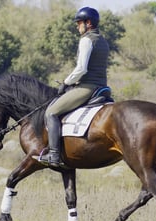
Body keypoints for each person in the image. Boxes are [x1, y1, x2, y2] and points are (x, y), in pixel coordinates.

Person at [33, 7, 110, 167]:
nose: (77, 26)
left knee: (51, 112)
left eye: (79, 23)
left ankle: (54, 155)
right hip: (102, 86)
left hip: (87, 87)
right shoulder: (102, 40)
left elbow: (81, 69)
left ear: (88, 23)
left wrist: (66, 82)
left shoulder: (87, 40)